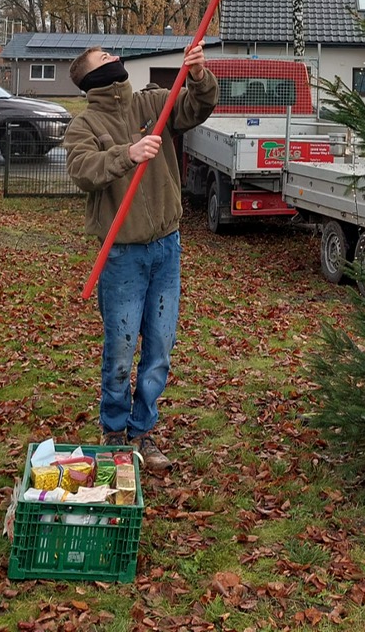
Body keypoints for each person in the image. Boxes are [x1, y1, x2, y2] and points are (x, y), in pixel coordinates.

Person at [64, 42, 218, 472]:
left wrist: (199, 74)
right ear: (89, 76)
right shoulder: (84, 125)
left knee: (160, 347)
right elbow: (82, 170)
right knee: (121, 347)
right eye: (103, 57)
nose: (114, 58)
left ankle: (143, 431)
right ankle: (114, 431)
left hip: (167, 248)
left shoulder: (151, 102)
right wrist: (127, 154)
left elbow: (196, 107)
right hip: (122, 256)